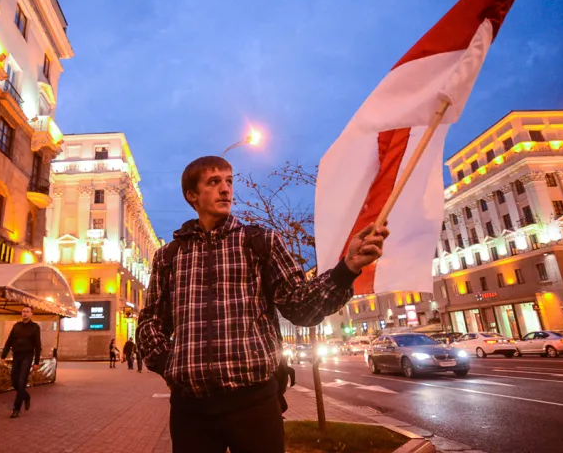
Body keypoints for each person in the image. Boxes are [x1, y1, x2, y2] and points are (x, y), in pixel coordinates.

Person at [137, 156, 388, 453]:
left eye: (229, 181)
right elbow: (150, 322)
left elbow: (300, 306)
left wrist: (346, 269)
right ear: (192, 195)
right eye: (214, 182)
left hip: (254, 403)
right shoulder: (170, 255)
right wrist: (170, 365)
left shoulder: (260, 242)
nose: (225, 190)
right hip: (191, 408)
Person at [1, 305, 42, 418]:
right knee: (14, 382)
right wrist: (3, 356)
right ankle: (26, 396)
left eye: (27, 312)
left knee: (21, 381)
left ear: (31, 314)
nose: (25, 313)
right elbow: (8, 342)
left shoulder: (35, 327)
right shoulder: (16, 326)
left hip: (27, 357)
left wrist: (36, 362)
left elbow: (38, 346)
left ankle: (16, 409)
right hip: (16, 356)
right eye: (23, 311)